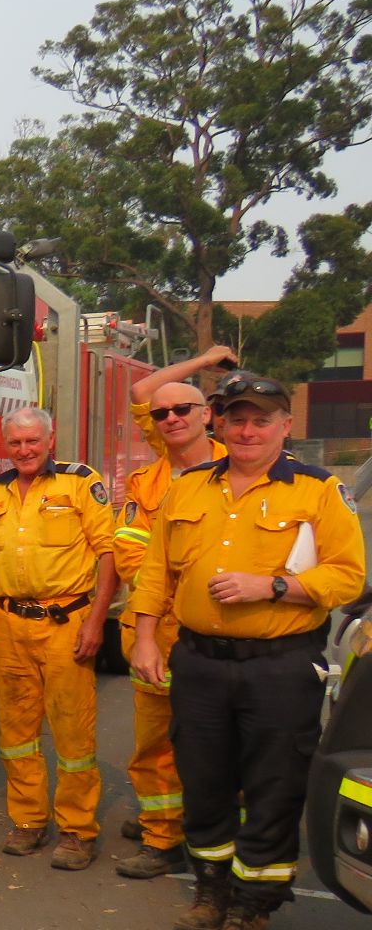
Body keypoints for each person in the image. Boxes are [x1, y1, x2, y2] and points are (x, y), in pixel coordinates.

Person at [129, 377, 365, 930]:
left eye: (261, 420)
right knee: (204, 780)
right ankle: (210, 891)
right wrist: (143, 637)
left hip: (279, 666)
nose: (247, 430)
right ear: (220, 425)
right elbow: (156, 571)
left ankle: (254, 903)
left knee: (274, 785)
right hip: (200, 662)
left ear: (286, 426)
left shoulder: (318, 490)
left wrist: (275, 587)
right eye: (237, 419)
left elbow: (349, 577)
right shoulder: (187, 488)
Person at [0, 408, 116, 871]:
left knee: (72, 731)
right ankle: (29, 820)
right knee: (15, 732)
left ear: (50, 440)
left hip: (65, 622)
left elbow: (108, 553)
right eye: (15, 443)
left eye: (33, 441)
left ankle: (76, 830)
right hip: (10, 622)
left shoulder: (79, 483)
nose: (24, 450)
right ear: (4, 445)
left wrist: (96, 622)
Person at [111, 369, 224, 880]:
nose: (172, 419)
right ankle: (162, 836)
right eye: (162, 414)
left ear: (207, 415)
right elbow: (132, 550)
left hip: (219, 630)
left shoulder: (240, 469)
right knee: (154, 743)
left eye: (183, 410)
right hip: (154, 629)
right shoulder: (148, 482)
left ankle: (219, 834)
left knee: (219, 741)